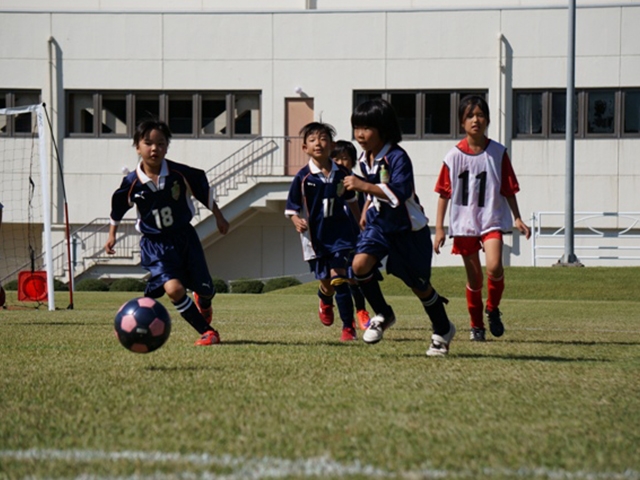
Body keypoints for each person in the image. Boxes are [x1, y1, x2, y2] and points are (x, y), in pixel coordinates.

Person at [342, 98, 456, 357]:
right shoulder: (365, 157)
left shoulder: (397, 156)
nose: (360, 134)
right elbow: (375, 186)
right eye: (357, 127)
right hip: (380, 226)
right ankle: (383, 313)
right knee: (359, 265)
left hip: (408, 230)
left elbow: (401, 191)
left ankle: (442, 329)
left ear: (384, 128)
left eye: (367, 127)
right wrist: (368, 205)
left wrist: (364, 188)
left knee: (420, 286)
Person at [104, 119, 230, 346]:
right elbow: (118, 207)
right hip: (155, 244)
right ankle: (208, 332)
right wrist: (112, 233)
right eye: (148, 143)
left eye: (161, 143)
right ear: (137, 147)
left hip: (185, 238)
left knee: (206, 288)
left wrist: (219, 215)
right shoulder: (133, 182)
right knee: (174, 289)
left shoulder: (179, 173)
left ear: (167, 146)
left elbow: (203, 190)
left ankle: (204, 300)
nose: (154, 148)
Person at [434, 95, 531, 341]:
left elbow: (508, 188)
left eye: (480, 115)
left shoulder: (498, 152)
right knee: (474, 279)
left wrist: (517, 218)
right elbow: (444, 193)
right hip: (464, 223)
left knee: (495, 266)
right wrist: (440, 229)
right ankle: (476, 325)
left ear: (487, 119)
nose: (475, 120)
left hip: (491, 219)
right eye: (470, 115)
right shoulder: (453, 156)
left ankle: (492, 308)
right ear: (462, 122)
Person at [285, 122, 362, 342]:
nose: (318, 143)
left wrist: (360, 223)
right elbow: (291, 208)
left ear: (332, 144)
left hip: (341, 235)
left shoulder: (343, 173)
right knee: (327, 283)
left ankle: (348, 327)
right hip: (315, 238)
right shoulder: (302, 178)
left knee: (340, 277)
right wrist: (296, 220)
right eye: (312, 140)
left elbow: (352, 200)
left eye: (323, 138)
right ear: (305, 148)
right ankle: (324, 298)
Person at [331, 140, 373, 331]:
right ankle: (329, 302)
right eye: (336, 158)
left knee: (355, 276)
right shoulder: (329, 182)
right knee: (337, 277)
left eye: (345, 159)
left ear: (353, 161)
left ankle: (362, 311)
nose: (341, 163)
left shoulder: (360, 183)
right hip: (336, 238)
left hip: (357, 236)